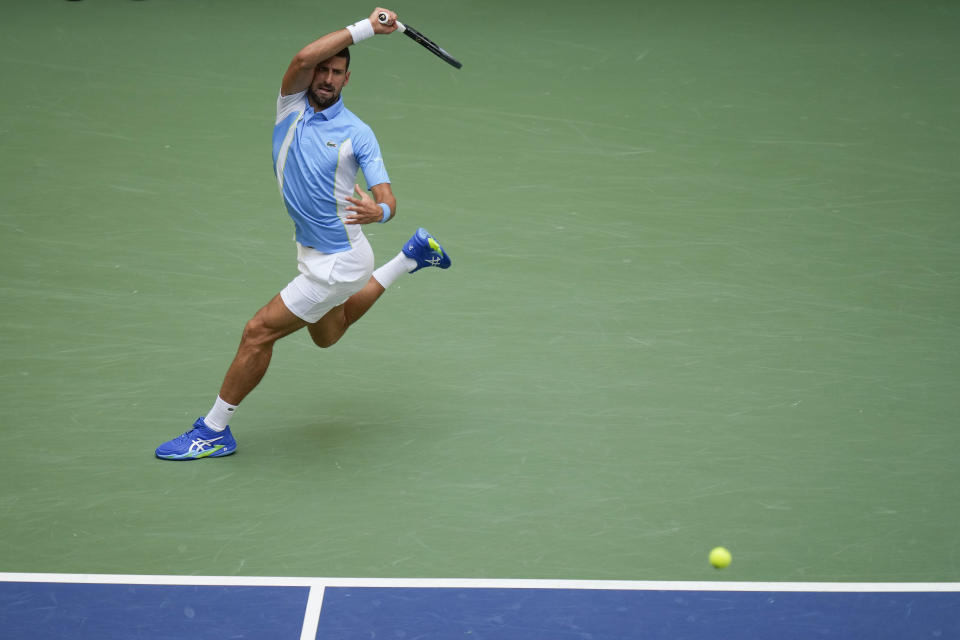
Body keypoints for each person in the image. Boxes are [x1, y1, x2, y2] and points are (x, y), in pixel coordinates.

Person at [155, 7, 450, 460]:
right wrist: (367, 28)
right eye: (323, 69)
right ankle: (410, 257)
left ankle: (213, 431)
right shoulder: (290, 104)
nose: (328, 77)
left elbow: (388, 196)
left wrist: (382, 212)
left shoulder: (358, 134)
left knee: (258, 332)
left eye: (337, 72)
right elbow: (298, 58)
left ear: (347, 80)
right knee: (328, 334)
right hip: (314, 251)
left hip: (340, 261)